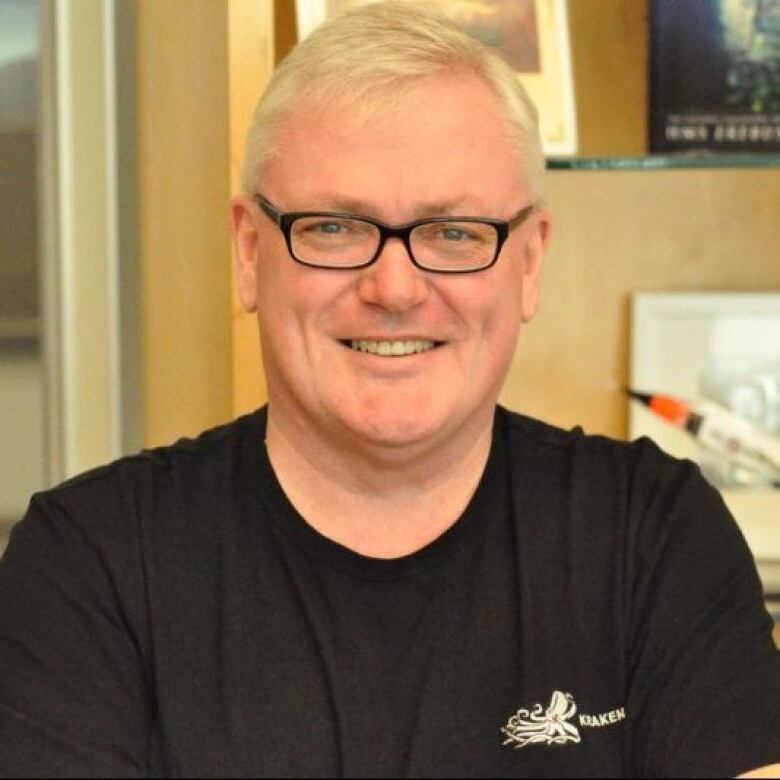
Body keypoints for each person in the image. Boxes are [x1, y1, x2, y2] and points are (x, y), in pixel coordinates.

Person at [1, 2, 779, 777]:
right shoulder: (88, 566)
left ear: (530, 261)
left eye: (454, 233)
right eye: (335, 227)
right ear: (249, 250)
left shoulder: (653, 537)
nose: (395, 287)